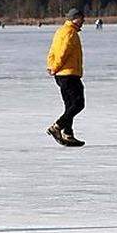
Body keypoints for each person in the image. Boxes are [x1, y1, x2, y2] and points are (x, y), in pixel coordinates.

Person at [46, 8, 86, 147]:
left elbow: (52, 51)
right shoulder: (70, 33)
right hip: (69, 74)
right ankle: (57, 127)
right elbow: (62, 53)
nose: (83, 21)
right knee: (78, 104)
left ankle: (68, 134)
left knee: (69, 105)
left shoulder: (60, 31)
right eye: (81, 18)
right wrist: (55, 67)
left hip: (62, 74)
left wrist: (51, 66)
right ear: (74, 18)